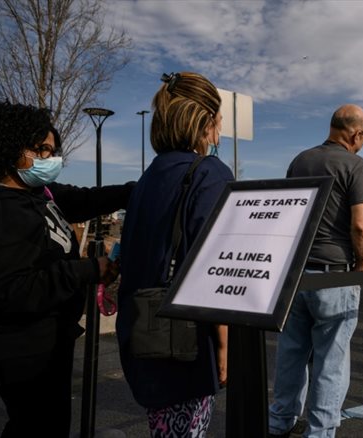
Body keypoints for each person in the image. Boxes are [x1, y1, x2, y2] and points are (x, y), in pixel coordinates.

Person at [0, 101, 132, 437]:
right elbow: (14, 290)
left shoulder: (42, 193)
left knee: (52, 422)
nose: (49, 159)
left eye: (53, 151)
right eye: (40, 150)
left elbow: (85, 199)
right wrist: (88, 270)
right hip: (24, 351)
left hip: (55, 337)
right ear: (10, 147)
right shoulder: (3, 211)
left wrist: (135, 192)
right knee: (36, 426)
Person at [116, 72, 233, 437]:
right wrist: (225, 344)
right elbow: (214, 269)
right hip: (185, 341)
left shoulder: (150, 175)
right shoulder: (210, 173)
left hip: (142, 331)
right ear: (208, 121)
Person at [268, 104, 363, 437]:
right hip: (335, 273)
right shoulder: (355, 165)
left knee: (291, 353)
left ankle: (280, 420)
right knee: (331, 360)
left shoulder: (300, 160)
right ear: (355, 133)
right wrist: (359, 265)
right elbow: (360, 225)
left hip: (297, 272)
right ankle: (321, 431)